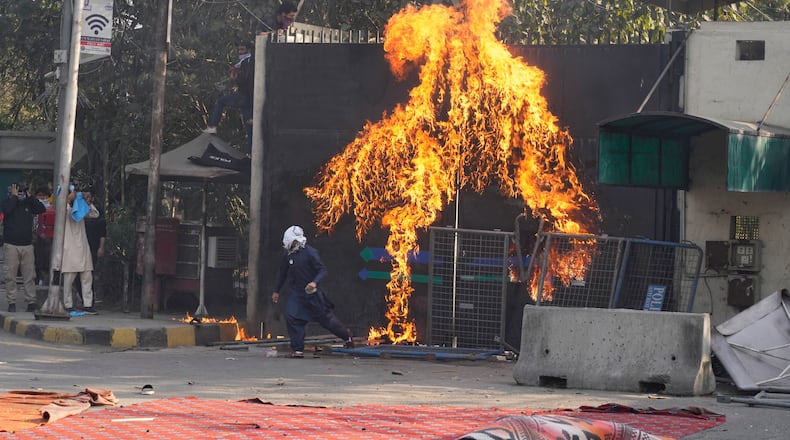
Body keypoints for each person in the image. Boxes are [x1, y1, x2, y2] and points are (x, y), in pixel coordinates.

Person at [271, 225, 354, 357]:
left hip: (312, 294)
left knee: (326, 320)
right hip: (297, 294)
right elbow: (282, 273)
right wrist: (276, 290)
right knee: (291, 316)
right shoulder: (287, 255)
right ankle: (297, 349)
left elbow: (322, 270)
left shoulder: (310, 253)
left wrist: (314, 282)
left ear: (296, 241)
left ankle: (347, 337)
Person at [204, 41, 255, 154]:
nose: (239, 52)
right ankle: (250, 153)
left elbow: (244, 81)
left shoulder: (247, 62)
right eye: (239, 50)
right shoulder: (250, 62)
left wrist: (235, 77)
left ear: (249, 50)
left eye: (242, 50)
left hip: (243, 96)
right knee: (249, 128)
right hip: (251, 100)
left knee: (221, 102)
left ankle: (213, 126)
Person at [2, 183, 46, 312]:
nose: (20, 194)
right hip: (11, 245)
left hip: (27, 245)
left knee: (29, 275)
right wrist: (14, 197)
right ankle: (11, 302)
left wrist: (30, 196)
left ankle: (31, 301)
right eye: (18, 191)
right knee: (10, 275)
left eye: (22, 192)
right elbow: (8, 210)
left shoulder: (28, 204)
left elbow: (41, 208)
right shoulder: (7, 202)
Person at [57, 185, 100, 315]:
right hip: (69, 247)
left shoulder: (79, 207)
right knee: (69, 279)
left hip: (82, 246)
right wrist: (67, 200)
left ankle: (88, 304)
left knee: (87, 277)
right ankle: (68, 304)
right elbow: (61, 209)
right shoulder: (64, 209)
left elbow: (95, 214)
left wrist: (86, 201)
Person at [33, 186, 55, 285]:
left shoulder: (52, 209)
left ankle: (46, 279)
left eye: (44, 196)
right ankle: (38, 279)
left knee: (47, 259)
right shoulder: (32, 209)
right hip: (34, 238)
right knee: (36, 261)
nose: (42, 198)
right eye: (39, 196)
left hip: (48, 239)